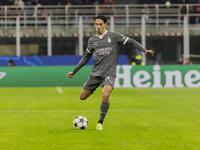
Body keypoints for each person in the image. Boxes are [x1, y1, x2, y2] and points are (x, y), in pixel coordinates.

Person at [67, 15, 154, 130]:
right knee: (82, 97)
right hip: (95, 73)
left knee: (106, 94)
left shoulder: (114, 36)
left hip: (109, 72)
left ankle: (100, 123)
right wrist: (74, 71)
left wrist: (144, 50)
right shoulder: (92, 40)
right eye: (96, 24)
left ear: (105, 24)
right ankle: (94, 88)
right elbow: (86, 57)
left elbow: (131, 41)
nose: (98, 26)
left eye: (100, 24)